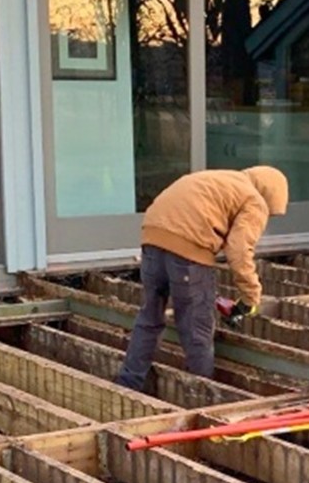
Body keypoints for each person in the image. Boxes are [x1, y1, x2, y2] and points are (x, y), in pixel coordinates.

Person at [117, 165, 289, 390]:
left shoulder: (220, 179)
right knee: (196, 326)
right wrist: (250, 298)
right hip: (189, 251)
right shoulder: (254, 200)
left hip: (152, 241)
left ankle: (128, 383)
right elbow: (238, 250)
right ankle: (200, 392)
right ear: (270, 197)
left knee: (149, 318)